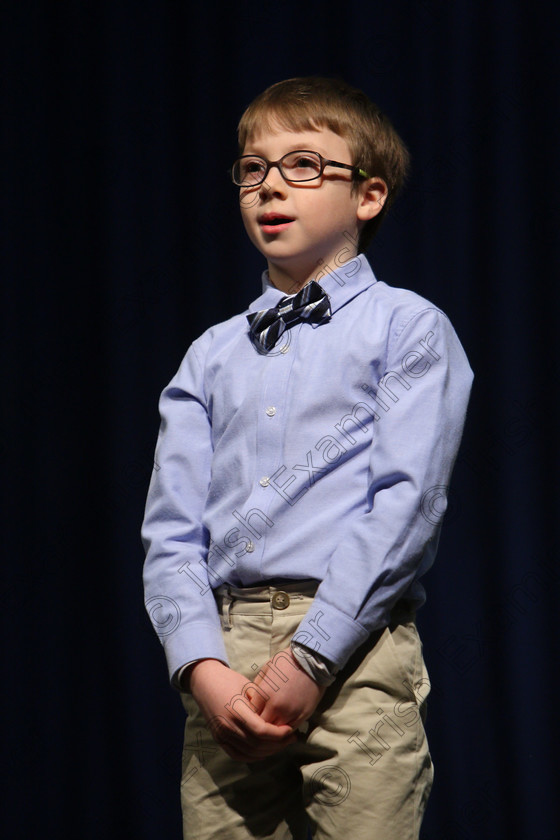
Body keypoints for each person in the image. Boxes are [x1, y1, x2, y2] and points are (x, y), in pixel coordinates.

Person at [142, 76, 473, 840]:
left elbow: (405, 504)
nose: (269, 187)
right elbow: (170, 532)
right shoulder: (210, 354)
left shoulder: (408, 328)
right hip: (226, 655)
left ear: (368, 195)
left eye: (302, 165)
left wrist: (313, 656)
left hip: (354, 649)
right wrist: (200, 666)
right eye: (253, 169)